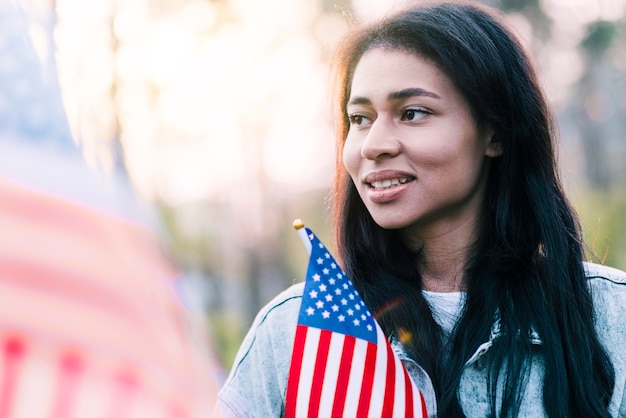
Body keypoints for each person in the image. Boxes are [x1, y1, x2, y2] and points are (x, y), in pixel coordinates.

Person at [215, 1, 626, 417]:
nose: (374, 145)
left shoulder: (610, 315)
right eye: (359, 118)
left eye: (412, 113)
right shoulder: (296, 329)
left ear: (495, 133)